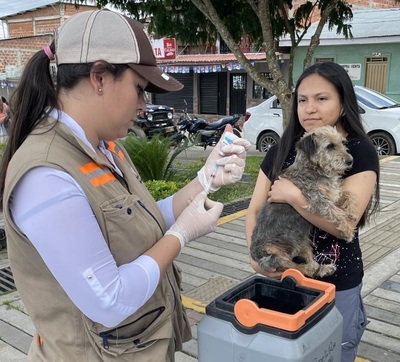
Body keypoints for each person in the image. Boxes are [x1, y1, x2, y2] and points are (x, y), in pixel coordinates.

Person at [0, 9, 250, 362]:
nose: (144, 106)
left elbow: (141, 221)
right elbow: (109, 299)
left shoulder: (106, 147)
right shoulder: (46, 175)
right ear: (99, 76)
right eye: (139, 89)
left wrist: (205, 179)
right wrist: (180, 236)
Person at [245, 61, 379, 362]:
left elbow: (344, 224)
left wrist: (294, 196)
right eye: (302, 100)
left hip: (336, 284)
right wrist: (256, 257)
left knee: (331, 354)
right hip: (283, 278)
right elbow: (253, 210)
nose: (309, 108)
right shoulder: (281, 149)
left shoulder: (358, 152)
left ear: (343, 103)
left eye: (322, 98)